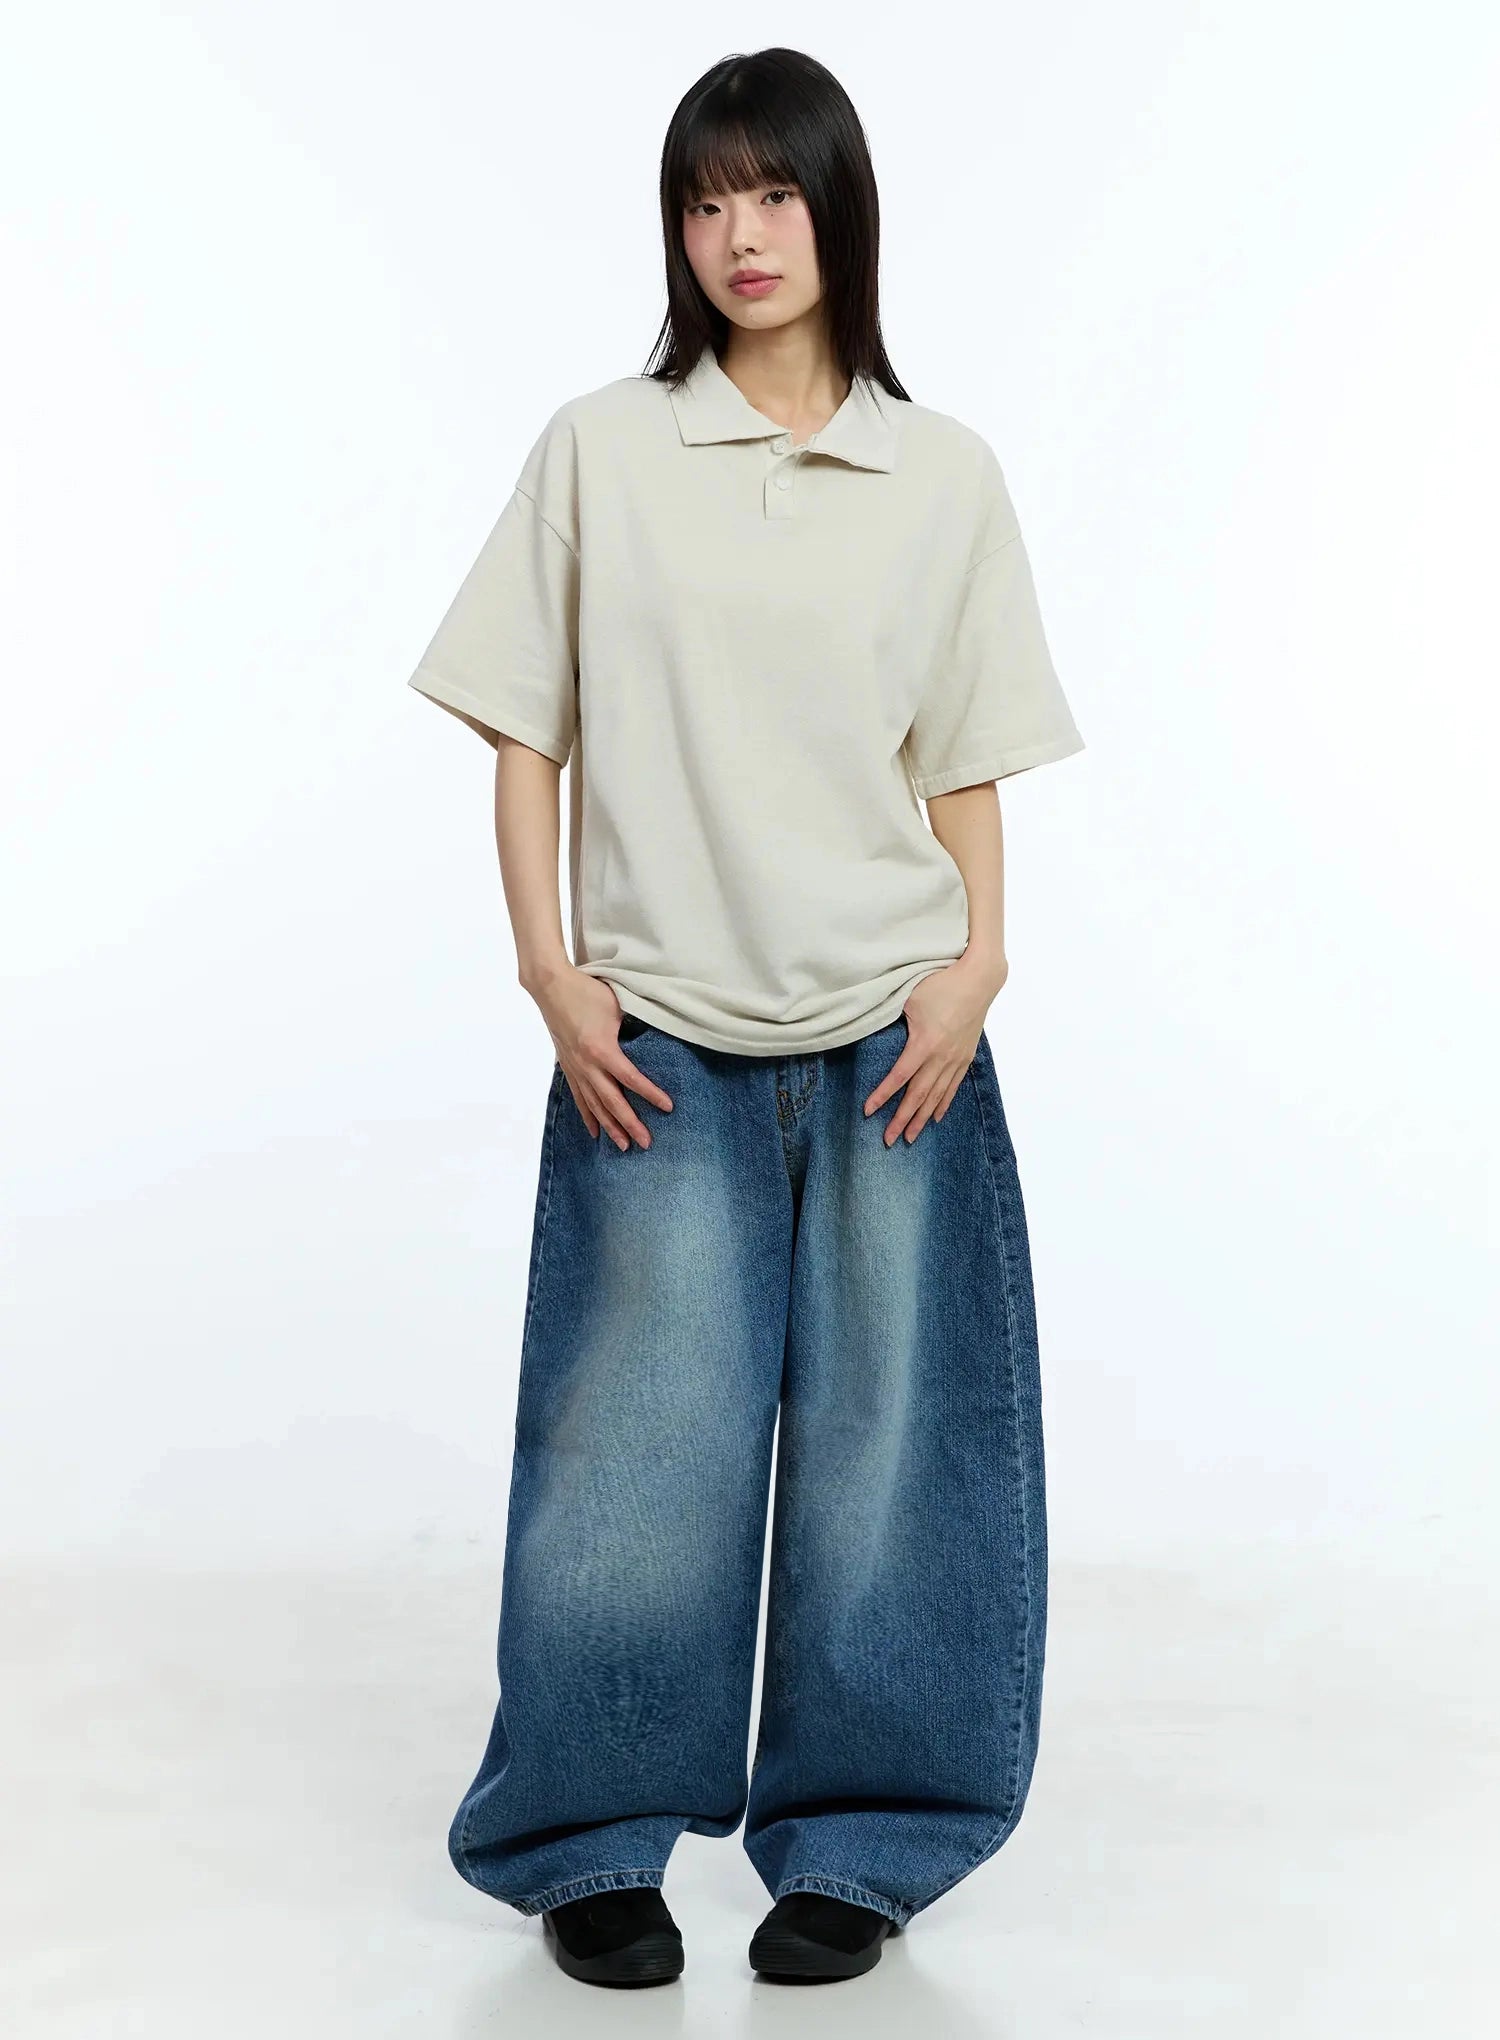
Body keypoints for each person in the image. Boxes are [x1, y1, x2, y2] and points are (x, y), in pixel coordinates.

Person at [406, 46, 1085, 1990]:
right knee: (634, 1464)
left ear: (839, 209)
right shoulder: (601, 452)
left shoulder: (942, 474)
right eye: (705, 202)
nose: (740, 236)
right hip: (661, 1045)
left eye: (774, 194)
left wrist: (981, 963)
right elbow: (522, 729)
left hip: (894, 1038)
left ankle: (865, 1846)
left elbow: (965, 761)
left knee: (898, 1462)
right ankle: (587, 1843)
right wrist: (548, 968)